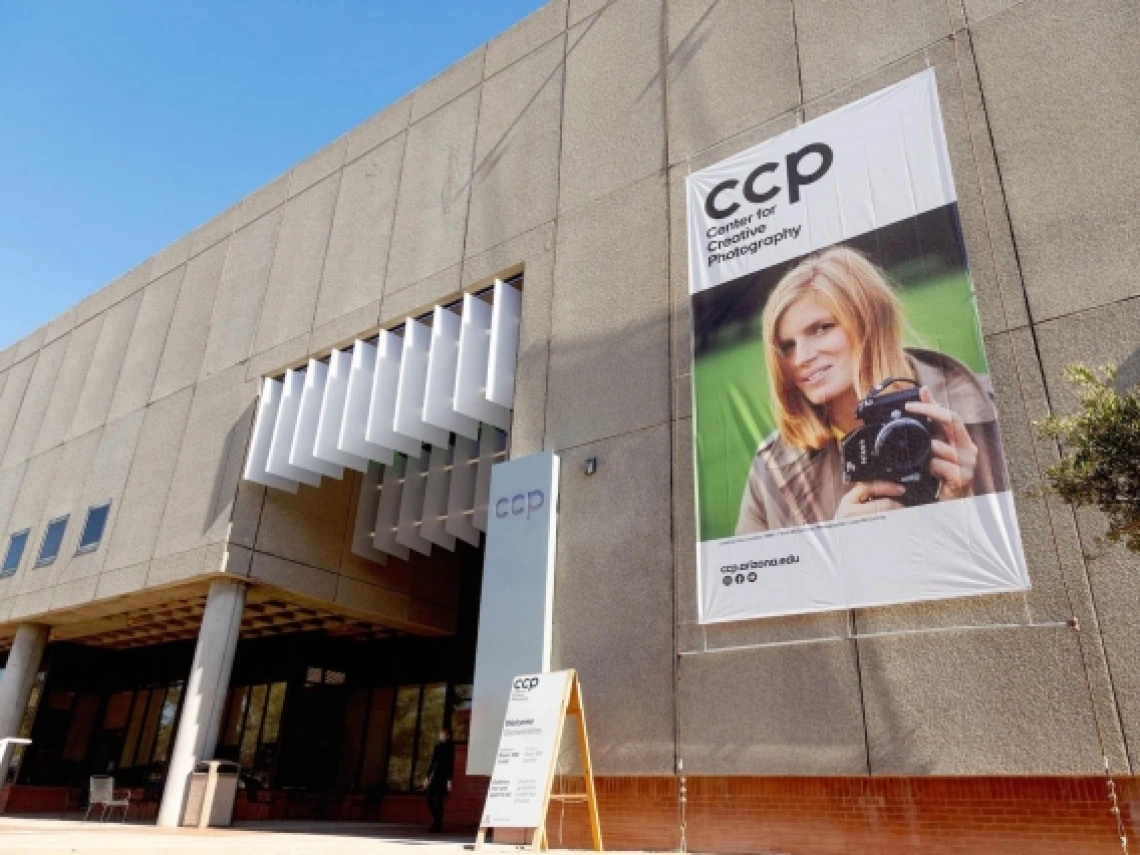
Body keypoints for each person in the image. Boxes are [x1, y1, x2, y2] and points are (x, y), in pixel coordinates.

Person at [736, 246, 1008, 534]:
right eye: (787, 346)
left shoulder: (990, 406)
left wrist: (960, 506)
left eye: (821, 328)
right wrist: (843, 549)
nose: (801, 358)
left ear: (870, 321)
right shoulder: (771, 470)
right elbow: (758, 577)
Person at [423, 727, 454, 834]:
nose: (440, 736)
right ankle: (437, 820)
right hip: (436, 776)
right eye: (440, 734)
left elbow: (451, 764)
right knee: (429, 798)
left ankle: (437, 825)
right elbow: (433, 763)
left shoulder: (450, 748)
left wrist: (449, 780)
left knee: (439, 800)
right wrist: (427, 777)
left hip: (444, 777)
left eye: (443, 734)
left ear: (448, 736)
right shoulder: (437, 747)